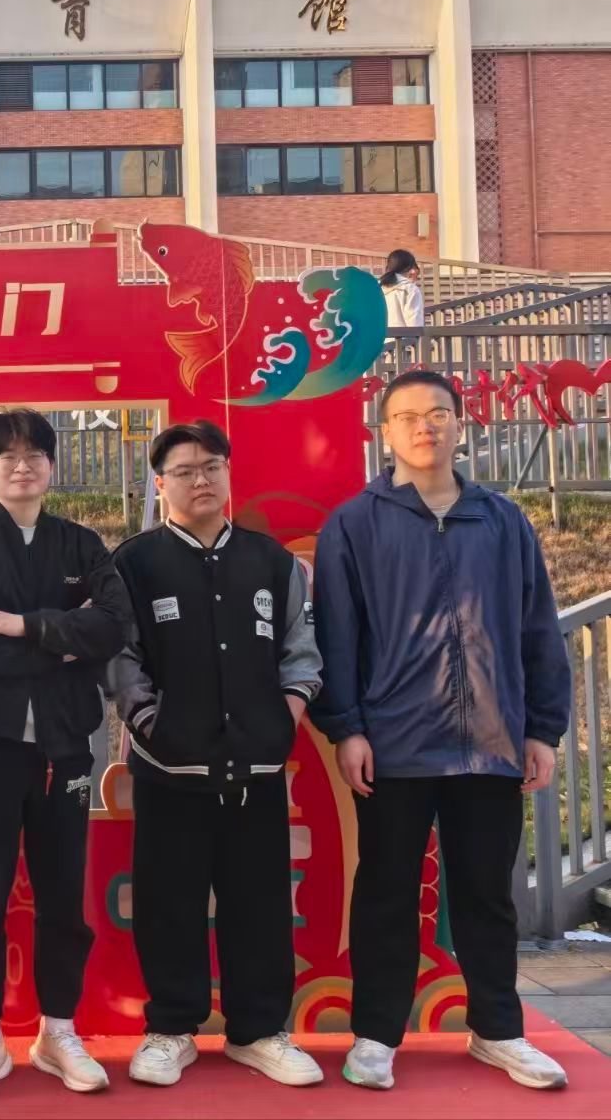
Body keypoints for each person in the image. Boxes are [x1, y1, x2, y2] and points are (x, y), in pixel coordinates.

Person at [313, 370, 571, 1092]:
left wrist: (543, 728)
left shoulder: (503, 520)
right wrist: (347, 728)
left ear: (460, 423)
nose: (425, 426)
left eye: (438, 413)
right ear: (385, 432)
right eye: (407, 416)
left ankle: (498, 1030)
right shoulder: (354, 524)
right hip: (393, 743)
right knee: (386, 892)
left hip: (491, 741)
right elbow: (337, 638)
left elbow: (537, 627)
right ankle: (375, 1035)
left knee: (487, 893)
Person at [105, 420, 325, 1089]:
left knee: (259, 903)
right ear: (160, 483)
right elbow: (120, 659)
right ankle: (171, 1029)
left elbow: (301, 652)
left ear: (229, 473)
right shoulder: (134, 563)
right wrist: (151, 723)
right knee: (169, 902)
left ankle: (258, 1031)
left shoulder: (272, 562)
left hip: (256, 768)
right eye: (184, 471)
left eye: (211, 467)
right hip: (169, 769)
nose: (200, 480)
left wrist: (283, 719)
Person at [0, 410, 132, 1098]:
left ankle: (58, 1031)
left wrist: (23, 625)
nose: (21, 466)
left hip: (66, 748)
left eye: (35, 454)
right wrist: (66, 644)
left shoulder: (81, 544)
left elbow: (114, 626)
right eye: (6, 456)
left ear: (51, 465)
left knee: (62, 898)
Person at [380, 250, 424, 330]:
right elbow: (415, 324)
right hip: (403, 337)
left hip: (380, 337)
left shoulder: (378, 288)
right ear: (408, 267)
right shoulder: (410, 289)